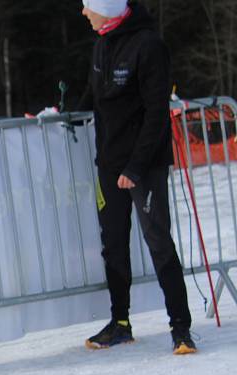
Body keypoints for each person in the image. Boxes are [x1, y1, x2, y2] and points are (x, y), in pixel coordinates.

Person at [78, 0, 196, 354]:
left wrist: (136, 167)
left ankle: (180, 327)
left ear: (108, 9)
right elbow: (93, 97)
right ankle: (120, 323)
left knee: (158, 241)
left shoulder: (149, 45)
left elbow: (157, 112)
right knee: (113, 244)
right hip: (109, 163)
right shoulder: (101, 42)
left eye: (89, 6)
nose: (84, 13)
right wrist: (60, 112)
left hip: (144, 165)